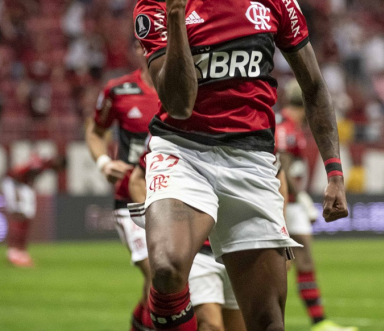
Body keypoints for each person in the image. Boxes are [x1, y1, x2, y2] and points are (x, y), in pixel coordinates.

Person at [132, 0, 348, 331]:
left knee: (267, 321)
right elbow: (179, 104)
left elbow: (313, 86)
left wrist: (333, 170)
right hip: (182, 151)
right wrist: (176, 14)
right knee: (168, 269)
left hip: (252, 161)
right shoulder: (155, 3)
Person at [129, 153, 248, 331]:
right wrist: (161, 223)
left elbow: (278, 176)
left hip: (237, 246)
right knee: (210, 325)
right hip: (199, 250)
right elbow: (137, 179)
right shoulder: (172, 133)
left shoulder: (251, 131)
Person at [85, 42, 157, 331]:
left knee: (163, 286)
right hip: (131, 201)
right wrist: (104, 162)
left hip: (174, 198)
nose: (151, 49)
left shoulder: (187, 90)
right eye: (144, 45)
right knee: (160, 278)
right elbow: (95, 130)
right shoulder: (119, 91)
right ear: (137, 51)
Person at [277, 81, 355, 331]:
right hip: (285, 201)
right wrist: (300, 197)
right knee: (284, 263)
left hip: (292, 202)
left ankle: (319, 322)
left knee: (304, 259)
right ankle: (271, 320)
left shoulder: (291, 126)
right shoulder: (285, 128)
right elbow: (283, 168)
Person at [1, 153, 66, 267]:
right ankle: (14, 253)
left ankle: (21, 251)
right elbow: (17, 172)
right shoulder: (40, 165)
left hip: (22, 185)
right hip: (15, 184)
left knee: (26, 216)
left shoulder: (42, 163)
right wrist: (18, 192)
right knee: (19, 216)